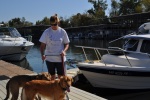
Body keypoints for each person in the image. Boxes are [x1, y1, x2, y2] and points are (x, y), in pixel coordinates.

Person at [39, 14, 70, 80]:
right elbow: (42, 46)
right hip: (50, 59)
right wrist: (42, 54)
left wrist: (64, 51)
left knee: (61, 78)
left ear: (58, 23)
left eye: (55, 24)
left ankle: (61, 90)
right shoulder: (46, 32)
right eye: (51, 24)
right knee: (51, 77)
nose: (53, 26)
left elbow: (67, 44)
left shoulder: (62, 32)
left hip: (60, 58)